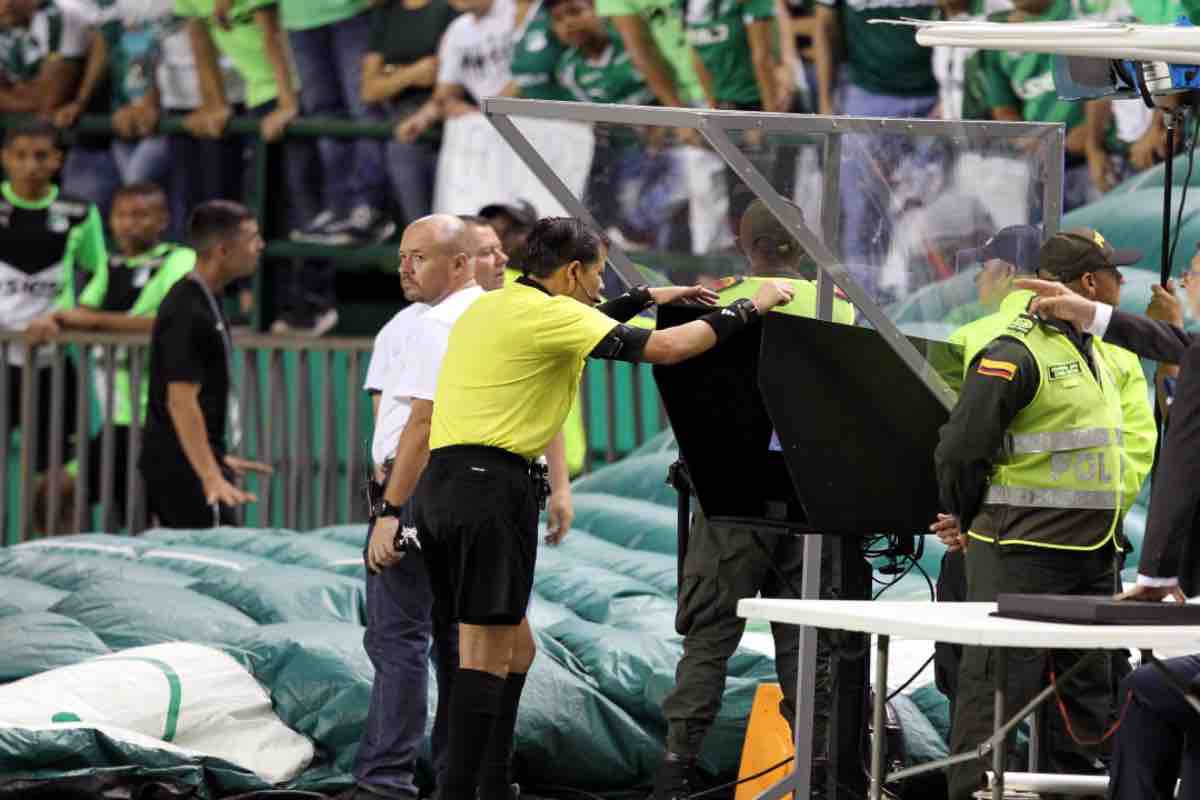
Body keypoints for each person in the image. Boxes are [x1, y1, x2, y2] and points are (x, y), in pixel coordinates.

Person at [413, 216, 793, 800]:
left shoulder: (494, 304)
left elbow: (581, 321)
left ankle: (492, 781)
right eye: (596, 275)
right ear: (570, 271)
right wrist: (753, 307)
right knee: (484, 653)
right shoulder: (554, 314)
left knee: (517, 646)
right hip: (491, 489)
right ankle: (460, 790)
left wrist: (645, 296)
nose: (598, 287)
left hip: (446, 486)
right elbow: (667, 348)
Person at [653, 200, 855, 800]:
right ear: (805, 242)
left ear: (746, 247)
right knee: (810, 639)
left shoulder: (707, 305)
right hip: (810, 503)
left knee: (708, 638)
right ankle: (815, 772)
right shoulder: (840, 308)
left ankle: (676, 769)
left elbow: (679, 398)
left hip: (728, 498)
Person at [934, 230, 1146, 800]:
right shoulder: (1014, 351)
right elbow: (959, 450)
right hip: (1020, 557)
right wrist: (968, 516)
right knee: (993, 696)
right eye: (1113, 276)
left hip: (1091, 556)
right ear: (1087, 284)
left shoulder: (1095, 349)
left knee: (1090, 702)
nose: (1121, 286)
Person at [351, 214, 523, 800]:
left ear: (459, 262)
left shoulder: (436, 324)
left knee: (399, 640)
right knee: (460, 642)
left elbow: (415, 427)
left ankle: (385, 780)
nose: (405, 267)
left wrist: (391, 508)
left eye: (418, 257)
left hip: (420, 493)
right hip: (468, 496)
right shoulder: (472, 318)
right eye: (403, 256)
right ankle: (462, 776)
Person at [26, 182, 195, 528]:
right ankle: (74, 572)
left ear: (162, 219)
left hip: (161, 418)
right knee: (52, 493)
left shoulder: (179, 259)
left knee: (150, 520)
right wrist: (54, 319)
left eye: (141, 215)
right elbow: (81, 312)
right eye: (121, 215)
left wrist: (92, 320)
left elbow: (170, 322)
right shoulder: (110, 264)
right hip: (117, 421)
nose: (130, 224)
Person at [139, 200, 271, 528]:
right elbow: (181, 402)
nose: (261, 246)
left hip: (194, 462)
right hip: (182, 469)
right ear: (223, 251)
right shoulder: (186, 308)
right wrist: (210, 476)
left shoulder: (209, 299)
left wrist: (216, 455)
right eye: (253, 238)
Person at [1, 120, 106, 527]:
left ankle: (47, 563)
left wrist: (69, 316)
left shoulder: (79, 213)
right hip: (2, 360)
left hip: (52, 364)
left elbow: (98, 272)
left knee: (59, 483)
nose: (30, 165)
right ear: (5, 159)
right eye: (21, 155)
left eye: (41, 156)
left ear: (58, 160)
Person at [279, 0, 394, 246]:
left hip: (353, 11)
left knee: (365, 110)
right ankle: (340, 208)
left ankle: (369, 208)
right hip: (297, 16)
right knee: (324, 117)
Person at [362, 0, 459, 228]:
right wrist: (413, 72)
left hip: (447, 116)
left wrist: (392, 73)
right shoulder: (385, 13)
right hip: (405, 124)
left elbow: (445, 71)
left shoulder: (449, 8)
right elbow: (369, 89)